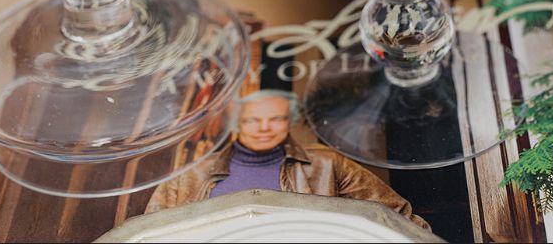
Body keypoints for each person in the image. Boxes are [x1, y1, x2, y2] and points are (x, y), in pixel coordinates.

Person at [143, 90, 415, 217]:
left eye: (275, 119)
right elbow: (148, 233)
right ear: (237, 123)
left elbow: (397, 214)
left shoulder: (327, 164)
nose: (264, 128)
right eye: (252, 120)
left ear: (290, 121)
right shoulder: (190, 173)